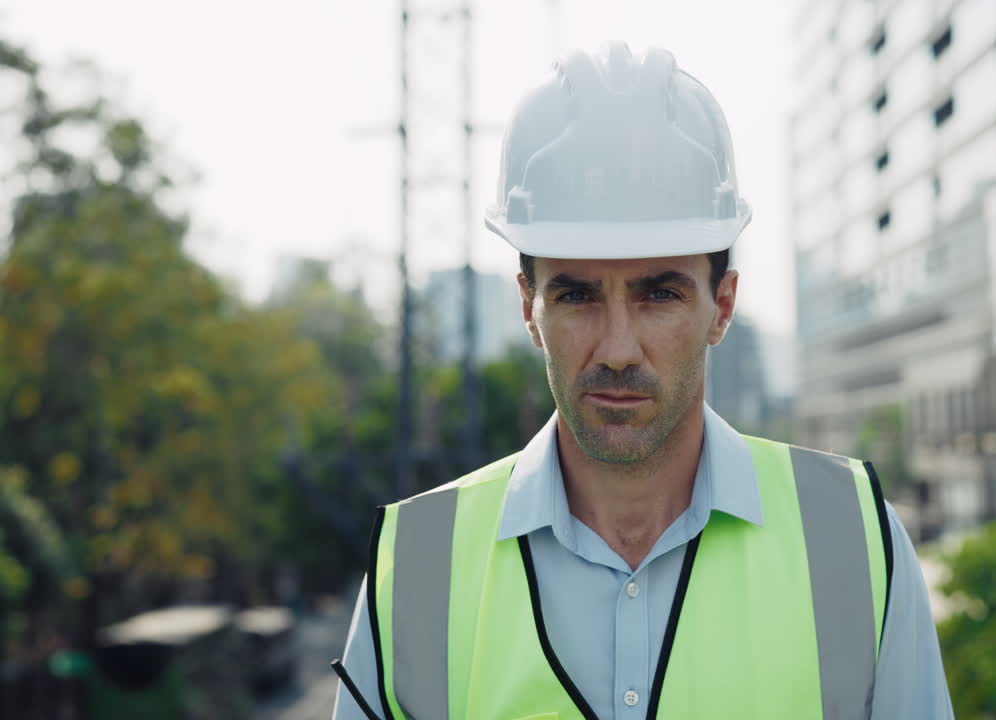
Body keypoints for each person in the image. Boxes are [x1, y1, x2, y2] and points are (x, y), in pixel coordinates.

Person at [333, 42, 953, 720]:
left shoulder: (854, 537)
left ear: (722, 306)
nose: (620, 349)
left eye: (659, 295)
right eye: (577, 296)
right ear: (528, 308)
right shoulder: (418, 564)